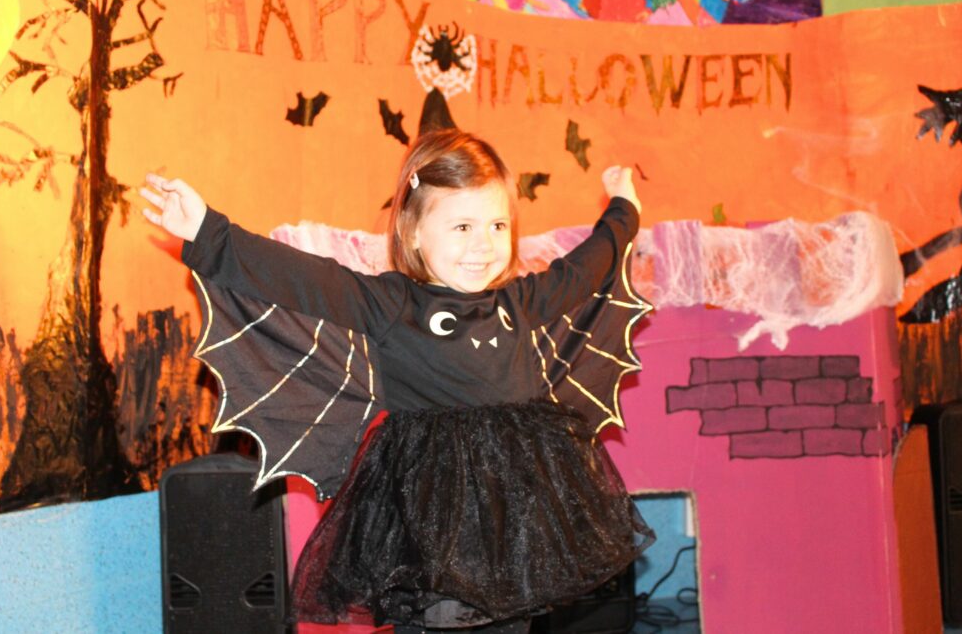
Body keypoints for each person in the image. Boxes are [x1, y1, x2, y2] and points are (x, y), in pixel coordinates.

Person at [140, 129, 654, 633]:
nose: (483, 244)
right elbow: (300, 277)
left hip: (511, 519)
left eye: (497, 226)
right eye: (462, 227)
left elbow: (592, 263)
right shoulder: (391, 306)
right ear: (413, 232)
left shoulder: (519, 304)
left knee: (511, 624)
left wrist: (623, 208)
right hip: (433, 519)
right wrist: (208, 233)